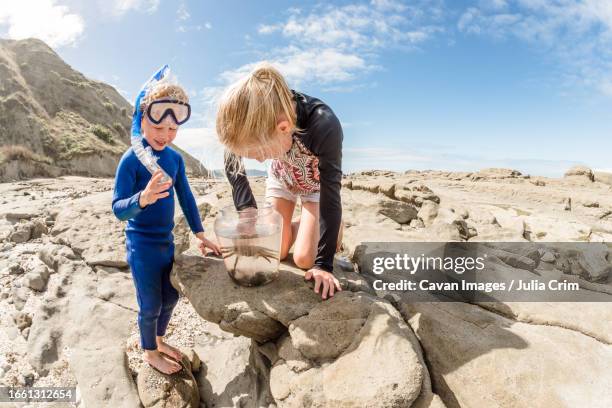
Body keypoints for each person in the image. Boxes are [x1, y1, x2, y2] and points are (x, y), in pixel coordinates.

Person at [112, 75, 220, 374]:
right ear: (141, 120)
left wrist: (200, 233)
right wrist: (143, 199)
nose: (166, 134)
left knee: (171, 295)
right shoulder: (131, 160)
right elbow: (118, 210)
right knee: (150, 305)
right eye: (158, 127)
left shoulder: (174, 159)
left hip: (166, 243)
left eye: (173, 128)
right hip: (142, 246)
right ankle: (149, 353)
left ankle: (158, 339)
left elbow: (185, 196)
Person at [216, 63, 343, 300]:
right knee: (276, 251)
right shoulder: (256, 119)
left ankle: (331, 227)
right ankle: (304, 224)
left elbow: (331, 193)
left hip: (317, 188)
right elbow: (231, 153)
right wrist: (247, 211)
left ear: (283, 127)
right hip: (283, 177)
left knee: (305, 259)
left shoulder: (324, 125)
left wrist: (324, 265)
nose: (260, 159)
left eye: (259, 153)